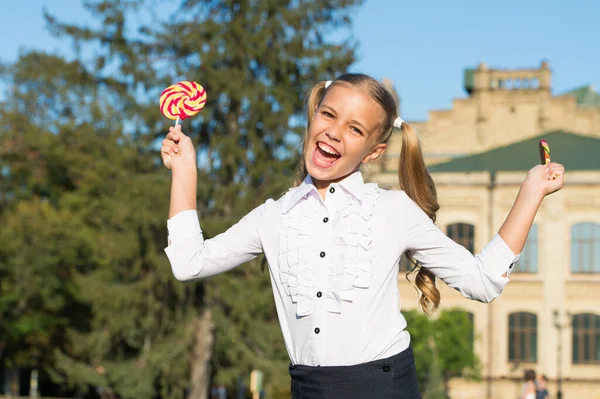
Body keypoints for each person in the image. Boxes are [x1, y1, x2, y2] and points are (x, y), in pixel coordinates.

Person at [160, 74, 565, 398]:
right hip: (308, 387)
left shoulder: (392, 210)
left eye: (354, 129)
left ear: (374, 152)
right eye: (328, 115)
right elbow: (188, 262)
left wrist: (531, 192)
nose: (334, 132)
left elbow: (482, 280)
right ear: (313, 117)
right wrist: (184, 171)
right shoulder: (273, 216)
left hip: (383, 387)